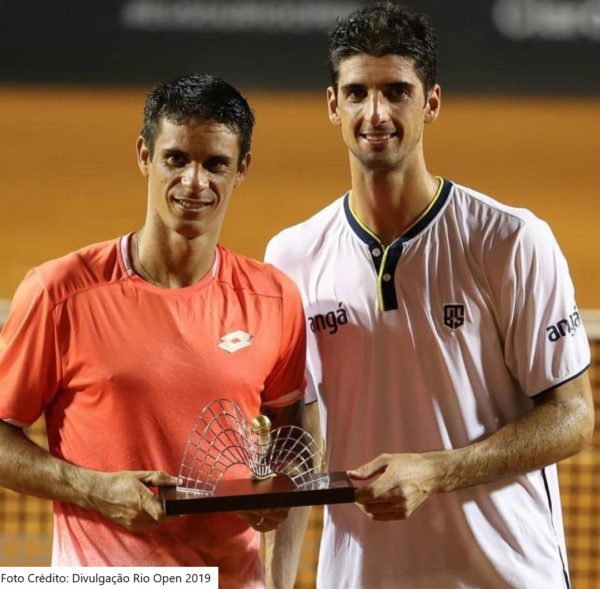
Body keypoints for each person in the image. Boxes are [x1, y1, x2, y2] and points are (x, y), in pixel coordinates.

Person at [264, 3, 594, 588]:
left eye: (397, 91)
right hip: (363, 577)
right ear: (333, 105)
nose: (376, 113)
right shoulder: (292, 257)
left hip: (506, 576)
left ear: (431, 103)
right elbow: (297, 446)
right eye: (358, 93)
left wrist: (437, 471)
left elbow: (573, 417)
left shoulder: (510, 241)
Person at [0, 73, 308, 587]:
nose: (194, 182)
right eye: (176, 159)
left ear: (242, 169)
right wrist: (93, 489)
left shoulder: (274, 299)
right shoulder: (59, 293)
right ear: (145, 155)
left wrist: (278, 486)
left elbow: (289, 429)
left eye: (215, 164)